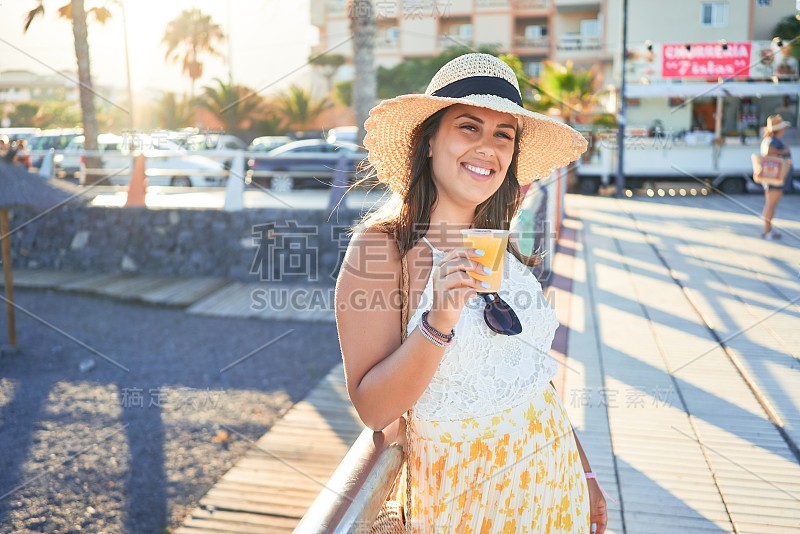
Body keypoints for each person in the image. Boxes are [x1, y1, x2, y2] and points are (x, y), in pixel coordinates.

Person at [335, 53, 610, 533]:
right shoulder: (382, 251)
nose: (488, 147)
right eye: (469, 127)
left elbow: (530, 375)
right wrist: (437, 321)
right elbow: (374, 409)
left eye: (503, 135)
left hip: (556, 487)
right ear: (428, 142)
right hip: (466, 504)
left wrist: (584, 471)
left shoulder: (499, 240)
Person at [759, 114, 793, 240]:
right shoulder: (772, 141)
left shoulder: (771, 139)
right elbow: (768, 153)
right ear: (781, 129)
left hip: (774, 177)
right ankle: (767, 231)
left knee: (770, 204)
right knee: (770, 205)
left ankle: (768, 230)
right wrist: (782, 152)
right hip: (775, 178)